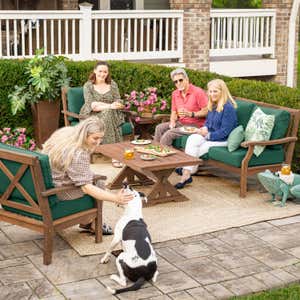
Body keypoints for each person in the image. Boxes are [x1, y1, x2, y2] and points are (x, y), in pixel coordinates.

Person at [42, 116, 134, 235]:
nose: (98, 142)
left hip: (46, 182)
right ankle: (93, 223)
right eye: (95, 138)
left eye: (101, 138)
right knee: (98, 183)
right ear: (84, 134)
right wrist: (116, 198)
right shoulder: (78, 153)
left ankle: (89, 222)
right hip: (58, 192)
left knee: (94, 178)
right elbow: (86, 188)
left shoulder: (65, 133)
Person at [175, 79, 238, 189]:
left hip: (223, 140)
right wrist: (203, 129)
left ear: (222, 92)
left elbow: (225, 131)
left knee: (199, 148)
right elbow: (208, 123)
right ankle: (190, 171)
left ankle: (186, 174)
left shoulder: (228, 108)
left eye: (215, 91)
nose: (212, 94)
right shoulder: (213, 105)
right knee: (192, 139)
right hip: (210, 135)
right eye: (210, 91)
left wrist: (207, 135)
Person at [80, 61, 125, 168]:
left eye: (105, 72)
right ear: (95, 71)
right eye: (100, 71)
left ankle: (113, 152)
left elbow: (118, 100)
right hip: (92, 116)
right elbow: (93, 105)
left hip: (112, 114)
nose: (102, 74)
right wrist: (110, 106)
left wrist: (117, 104)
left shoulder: (112, 84)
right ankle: (115, 154)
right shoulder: (88, 86)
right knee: (108, 111)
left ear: (108, 73)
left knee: (109, 113)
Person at [154, 68, 208, 146]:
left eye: (180, 80)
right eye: (175, 82)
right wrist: (172, 122)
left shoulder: (198, 92)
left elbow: (206, 111)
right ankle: (156, 152)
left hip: (195, 125)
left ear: (187, 79)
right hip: (181, 123)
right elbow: (174, 112)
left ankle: (165, 156)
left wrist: (191, 114)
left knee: (168, 135)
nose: (178, 83)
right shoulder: (175, 94)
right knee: (159, 128)